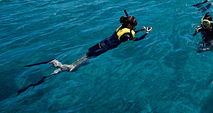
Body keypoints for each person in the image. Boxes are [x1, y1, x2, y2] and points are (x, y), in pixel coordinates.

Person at [18, 11, 152, 94]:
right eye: (134, 24)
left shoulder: (121, 27)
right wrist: (146, 33)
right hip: (102, 49)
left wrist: (139, 29)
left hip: (100, 44)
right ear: (129, 25)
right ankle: (58, 64)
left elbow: (129, 33)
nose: (135, 26)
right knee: (74, 68)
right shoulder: (127, 35)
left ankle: (60, 68)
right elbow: (135, 39)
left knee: (83, 59)